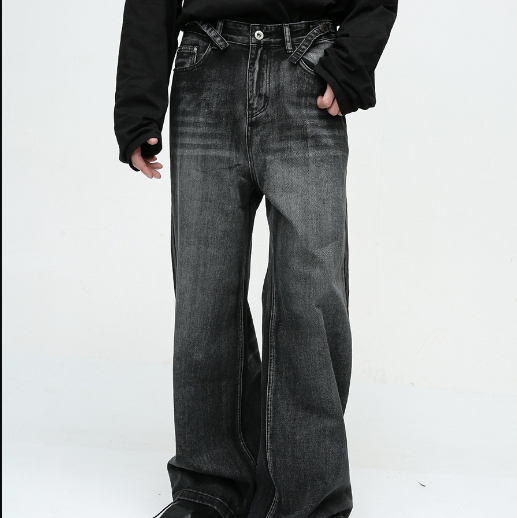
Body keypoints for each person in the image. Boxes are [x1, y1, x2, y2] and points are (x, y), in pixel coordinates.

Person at [114, 2, 397, 518]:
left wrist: (351, 61)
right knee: (204, 293)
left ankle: (308, 497)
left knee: (311, 293)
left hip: (308, 72)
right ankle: (210, 486)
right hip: (206, 66)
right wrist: (138, 106)